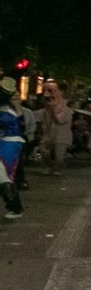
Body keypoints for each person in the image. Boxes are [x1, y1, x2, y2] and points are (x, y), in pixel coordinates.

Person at [0, 84, 27, 218]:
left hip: (9, 143)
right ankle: (15, 207)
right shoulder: (8, 109)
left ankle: (15, 207)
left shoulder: (7, 111)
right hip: (7, 142)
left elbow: (21, 127)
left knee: (3, 174)